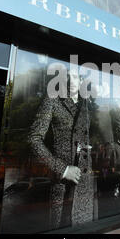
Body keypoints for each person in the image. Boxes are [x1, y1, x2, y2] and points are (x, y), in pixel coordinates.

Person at [27, 69, 94, 229]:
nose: (71, 81)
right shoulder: (52, 100)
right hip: (63, 183)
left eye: (75, 77)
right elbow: (33, 138)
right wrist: (63, 170)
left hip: (85, 183)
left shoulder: (86, 104)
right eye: (67, 76)